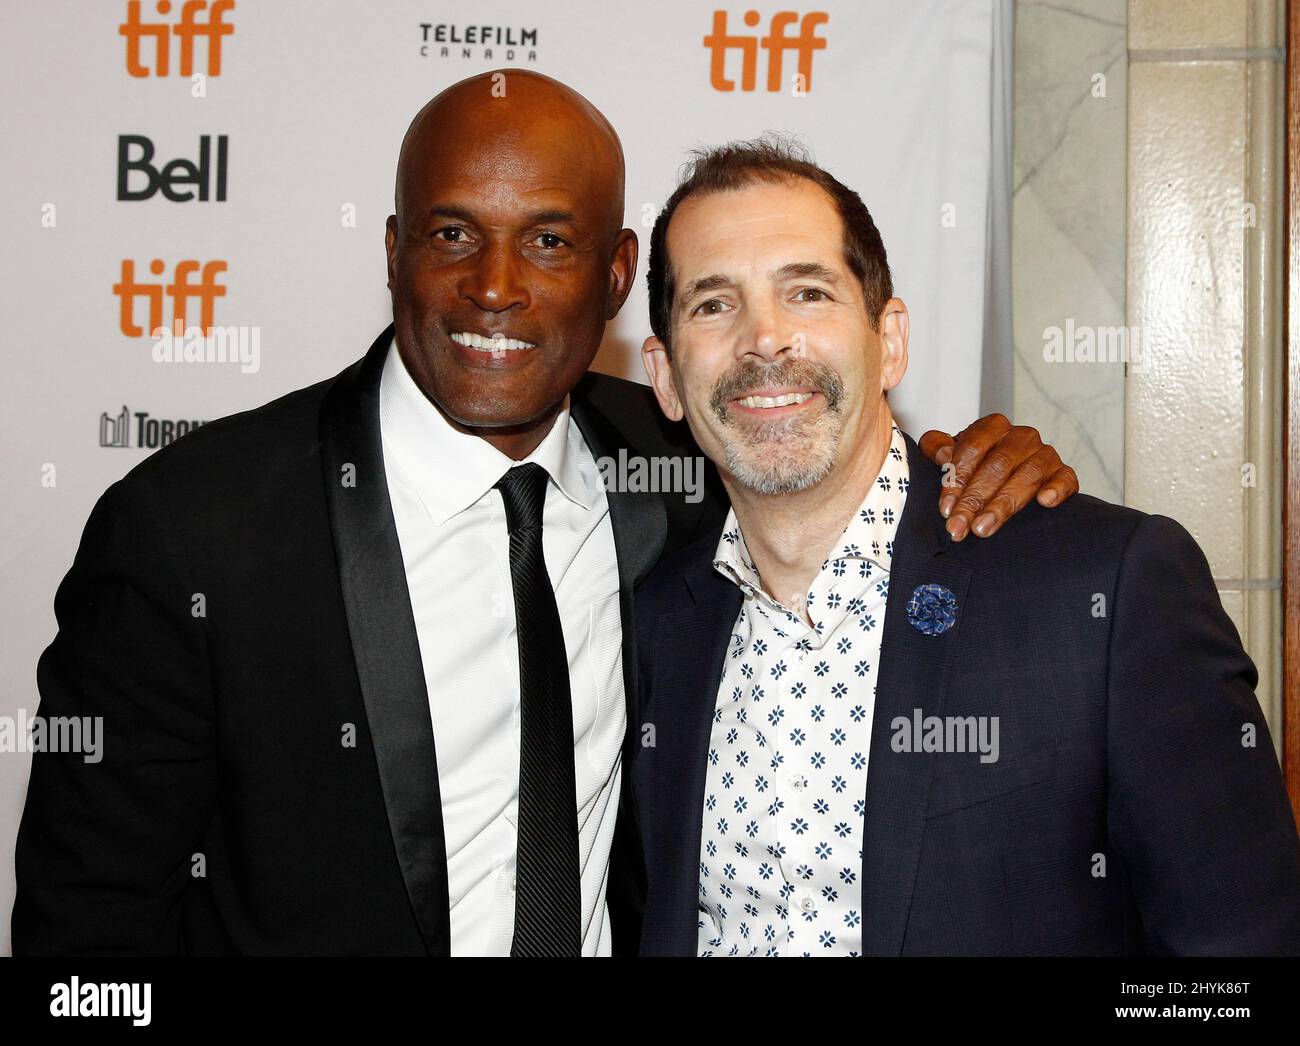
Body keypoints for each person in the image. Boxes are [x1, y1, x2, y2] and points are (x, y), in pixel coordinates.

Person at [13, 72, 1077, 957]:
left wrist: (966, 463)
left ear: (618, 278)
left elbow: (829, 456)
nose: (495, 287)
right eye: (451, 233)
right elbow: (85, 935)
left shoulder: (682, 458)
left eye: (551, 243)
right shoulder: (193, 529)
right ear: (393, 252)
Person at [631, 137, 1300, 956]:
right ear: (665, 376)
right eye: (713, 303)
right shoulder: (652, 623)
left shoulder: (1107, 592)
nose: (766, 339)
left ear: (892, 341)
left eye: (807, 292)